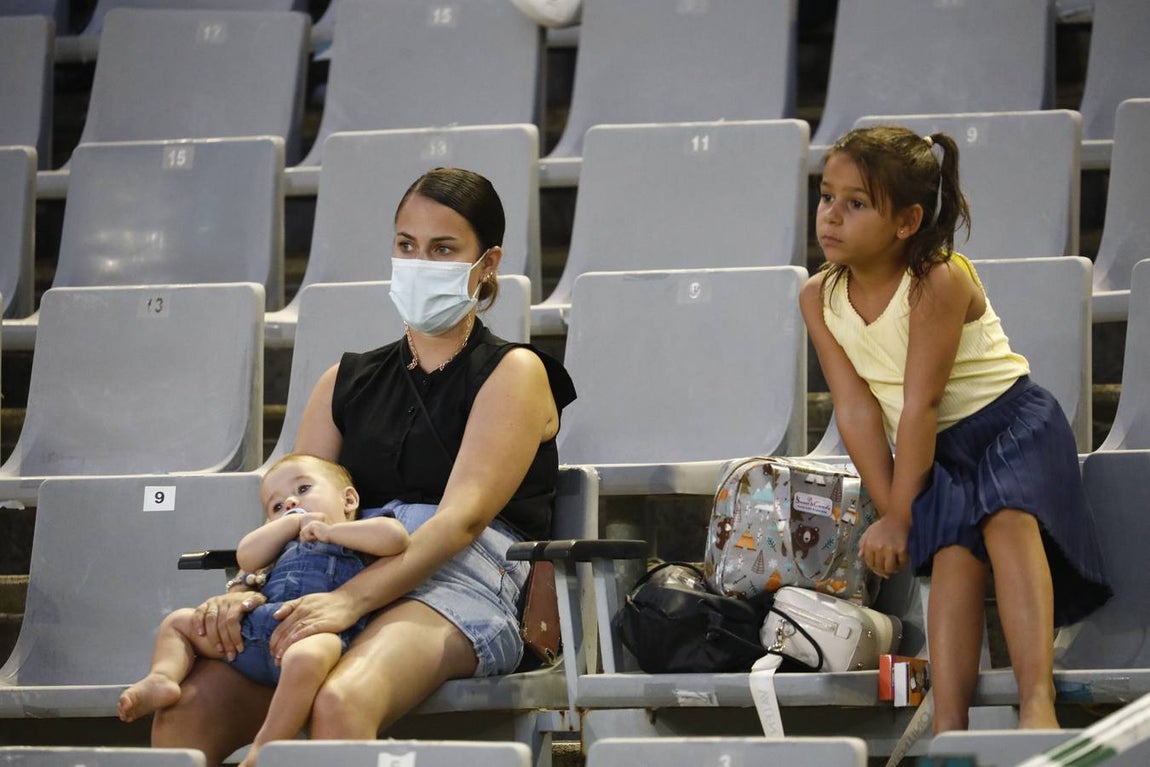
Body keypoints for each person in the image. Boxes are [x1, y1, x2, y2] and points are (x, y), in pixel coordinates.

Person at [150, 167, 577, 765]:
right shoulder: (340, 383)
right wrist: (247, 589)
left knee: (340, 698)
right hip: (333, 572)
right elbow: (297, 506)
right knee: (190, 705)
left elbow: (459, 523)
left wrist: (350, 603)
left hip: (464, 577)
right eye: (407, 246)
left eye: (444, 249)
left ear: (487, 263)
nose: (420, 262)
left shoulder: (515, 373)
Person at [800, 125, 1112, 733]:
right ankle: (949, 727)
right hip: (935, 452)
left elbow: (921, 402)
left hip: (1009, 427)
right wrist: (897, 510)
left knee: (1006, 519)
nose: (831, 216)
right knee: (950, 555)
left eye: (856, 203)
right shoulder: (819, 295)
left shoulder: (937, 279)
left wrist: (899, 516)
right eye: (825, 196)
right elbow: (857, 409)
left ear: (907, 221)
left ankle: (1038, 706)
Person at [120, 453, 409, 766]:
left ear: (349, 500)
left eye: (303, 490)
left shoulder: (361, 531)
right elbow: (246, 557)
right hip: (257, 629)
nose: (291, 504)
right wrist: (291, 523)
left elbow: (395, 539)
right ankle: (162, 677)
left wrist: (330, 531)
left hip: (314, 631)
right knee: (178, 622)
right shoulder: (279, 544)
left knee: (309, 655)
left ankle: (268, 744)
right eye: (277, 506)